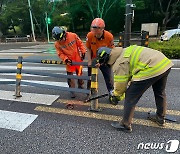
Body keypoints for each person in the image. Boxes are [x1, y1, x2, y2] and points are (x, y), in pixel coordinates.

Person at [96, 45, 173, 133]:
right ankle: (160, 117)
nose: (105, 65)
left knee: (130, 96)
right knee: (159, 92)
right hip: (163, 63)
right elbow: (130, 74)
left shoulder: (119, 63)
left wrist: (114, 96)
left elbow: (120, 87)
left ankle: (125, 124)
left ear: (106, 59)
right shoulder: (124, 51)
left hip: (150, 68)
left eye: (104, 63)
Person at [52, 26, 86, 98]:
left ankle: (80, 84)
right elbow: (60, 53)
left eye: (61, 39)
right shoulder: (57, 44)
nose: (61, 41)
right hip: (69, 61)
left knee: (79, 74)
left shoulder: (73, 35)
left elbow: (80, 43)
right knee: (70, 77)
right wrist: (66, 59)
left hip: (77, 59)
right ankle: (72, 90)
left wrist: (83, 52)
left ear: (63, 34)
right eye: (59, 40)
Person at [85, 18, 115, 101]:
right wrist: (90, 60)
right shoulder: (90, 35)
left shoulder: (109, 36)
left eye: (97, 30)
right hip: (94, 57)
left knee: (108, 78)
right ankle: (89, 93)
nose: (95, 32)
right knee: (90, 77)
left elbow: (111, 51)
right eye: (93, 29)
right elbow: (88, 48)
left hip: (105, 59)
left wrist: (102, 62)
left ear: (102, 29)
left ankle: (111, 93)